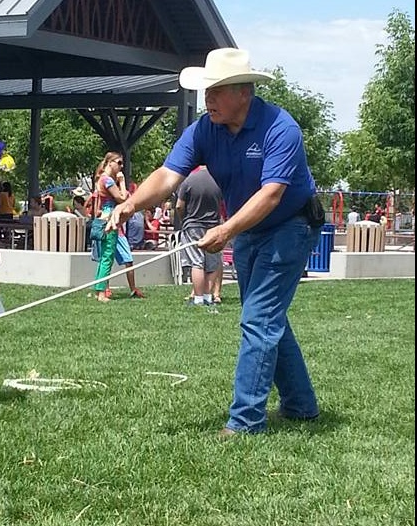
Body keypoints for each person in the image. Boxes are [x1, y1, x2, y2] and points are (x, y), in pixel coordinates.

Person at [108, 48, 322, 435]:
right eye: (206, 90)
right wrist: (131, 204)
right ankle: (301, 406)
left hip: (291, 227)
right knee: (268, 318)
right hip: (247, 229)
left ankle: (245, 422)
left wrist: (226, 231)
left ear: (244, 92)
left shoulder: (281, 128)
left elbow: (272, 195)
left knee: (258, 318)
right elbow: (169, 176)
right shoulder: (205, 129)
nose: (207, 99)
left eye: (216, 90)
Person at [175, 167, 223, 307]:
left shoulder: (189, 180)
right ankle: (208, 297)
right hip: (213, 226)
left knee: (197, 262)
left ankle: (198, 298)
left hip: (193, 226)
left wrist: (184, 220)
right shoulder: (218, 180)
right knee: (212, 263)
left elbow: (179, 206)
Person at [92, 151, 127, 302]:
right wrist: (122, 181)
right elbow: (122, 198)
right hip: (109, 220)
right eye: (119, 163)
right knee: (107, 256)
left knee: (103, 258)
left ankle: (98, 289)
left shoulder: (100, 179)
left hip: (101, 219)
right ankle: (101, 293)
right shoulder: (109, 181)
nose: (121, 166)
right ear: (110, 163)